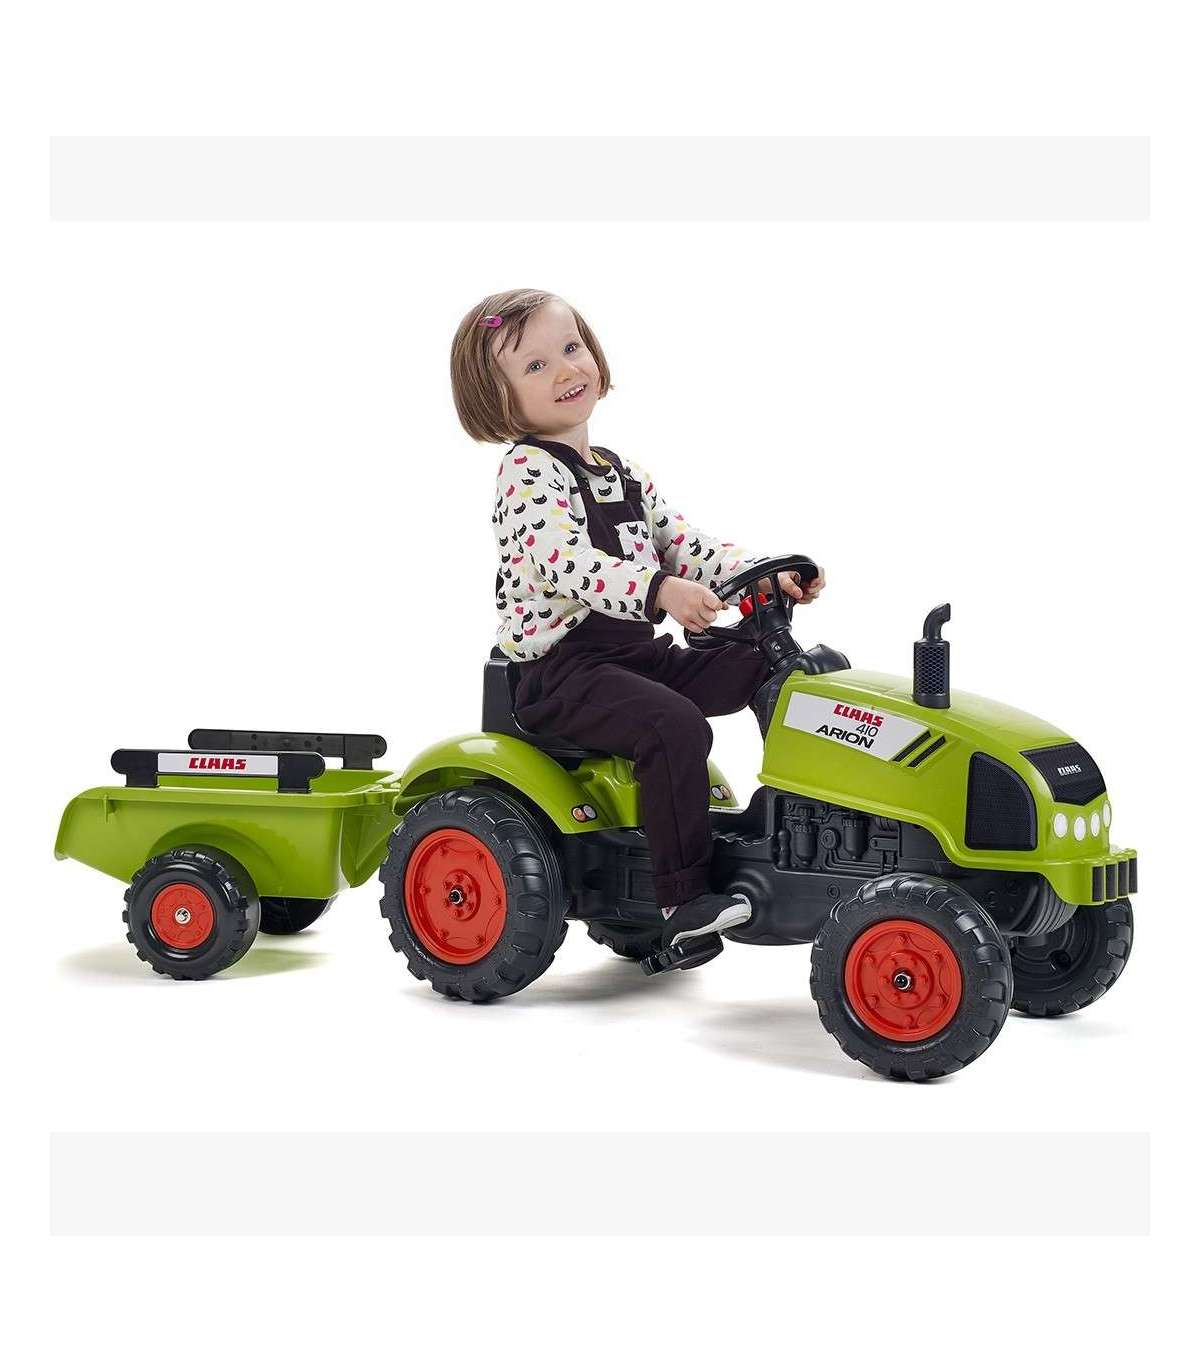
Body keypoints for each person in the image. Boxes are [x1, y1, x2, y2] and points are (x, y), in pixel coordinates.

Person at [449, 288, 824, 958]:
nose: (566, 370)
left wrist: (762, 574)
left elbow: (687, 546)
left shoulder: (621, 474)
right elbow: (565, 561)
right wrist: (658, 591)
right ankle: (682, 899)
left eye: (571, 348)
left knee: (774, 666)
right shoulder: (526, 473)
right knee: (672, 725)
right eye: (534, 366)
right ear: (497, 399)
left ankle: (800, 822)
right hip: (561, 672)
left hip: (633, 657)